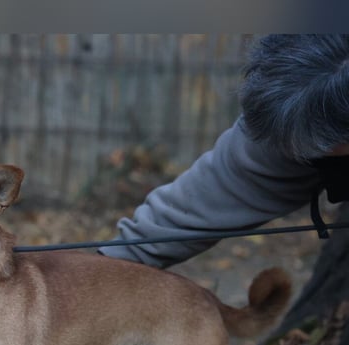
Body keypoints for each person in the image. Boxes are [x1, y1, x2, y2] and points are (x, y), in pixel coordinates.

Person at [99, 34, 349, 268]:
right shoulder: (290, 112)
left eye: (316, 144)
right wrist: (99, 272)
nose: (296, 150)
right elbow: (209, 197)